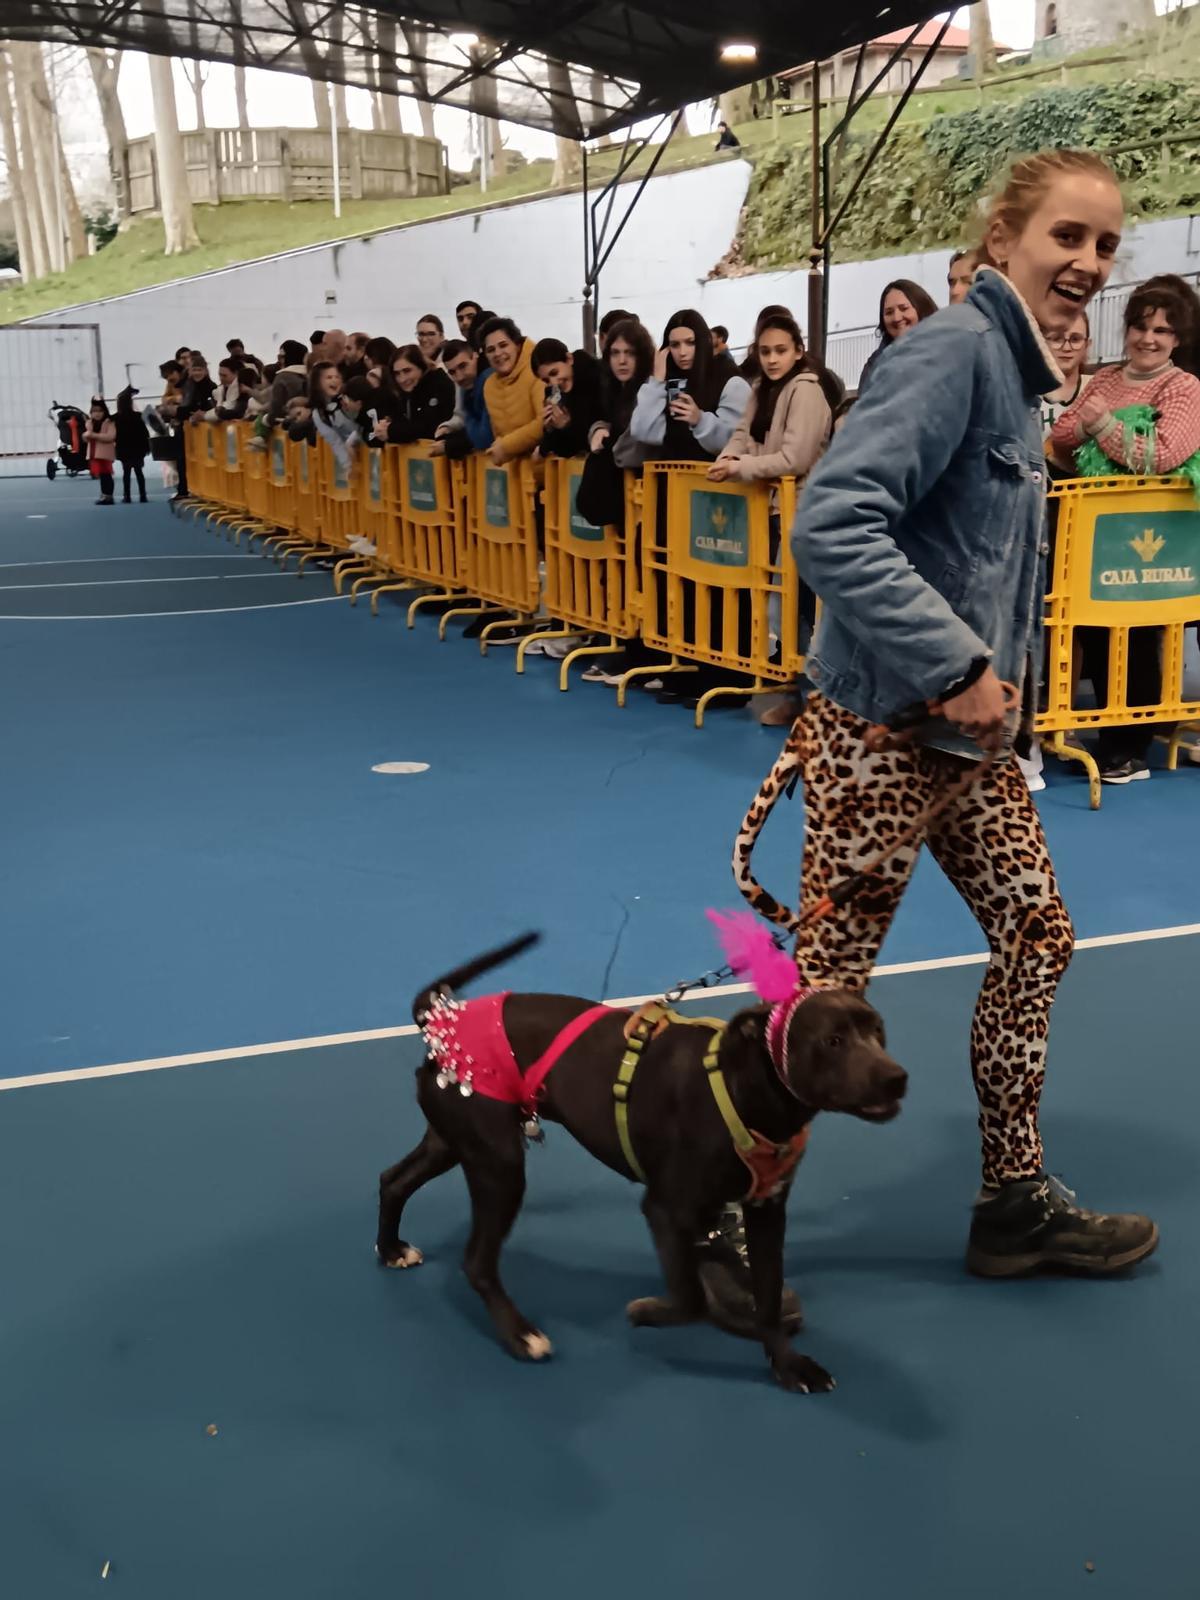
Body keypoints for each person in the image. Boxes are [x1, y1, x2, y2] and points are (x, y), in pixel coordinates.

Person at [778, 147, 1155, 1286]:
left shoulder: (1024, 375)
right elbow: (833, 525)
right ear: (1002, 241)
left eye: (1104, 244)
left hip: (966, 748)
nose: (1089, 262)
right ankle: (717, 1226)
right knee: (818, 1007)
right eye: (1066, 238)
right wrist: (952, 665)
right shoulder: (951, 354)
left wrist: (990, 698)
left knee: (1037, 939)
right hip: (882, 738)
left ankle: (1014, 1201)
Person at [1051, 284, 1200, 783]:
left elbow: (1163, 454)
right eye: (1141, 327)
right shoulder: (1107, 377)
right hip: (1095, 530)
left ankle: (1131, 744)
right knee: (1093, 629)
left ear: (1177, 338)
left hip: (1151, 534)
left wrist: (1102, 427)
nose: (1149, 338)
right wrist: (1102, 427)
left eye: (1162, 330)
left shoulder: (1185, 389)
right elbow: (1063, 432)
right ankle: (1109, 730)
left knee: (1137, 632)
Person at [630, 308, 750, 461]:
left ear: (702, 341)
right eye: (675, 345)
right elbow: (643, 431)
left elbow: (736, 441)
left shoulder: (728, 378)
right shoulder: (668, 380)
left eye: (690, 343)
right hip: (671, 479)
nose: (682, 352)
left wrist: (700, 420)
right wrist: (657, 382)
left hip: (715, 481)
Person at [479, 317, 546, 465]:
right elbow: (497, 434)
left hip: (548, 472)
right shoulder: (489, 385)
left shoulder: (537, 370)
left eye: (503, 345)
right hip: (515, 477)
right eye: (491, 350)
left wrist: (507, 446)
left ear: (516, 344)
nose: (498, 353)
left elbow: (544, 421)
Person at [857, 278, 938, 395]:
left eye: (904, 308)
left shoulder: (944, 351)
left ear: (921, 308)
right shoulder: (875, 365)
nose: (897, 318)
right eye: (889, 312)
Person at [530, 338, 605, 457]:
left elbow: (599, 439)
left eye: (554, 373)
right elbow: (565, 450)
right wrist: (551, 429)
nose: (554, 382)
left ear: (569, 359)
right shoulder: (552, 394)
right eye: (546, 380)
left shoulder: (598, 379)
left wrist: (567, 426)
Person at [374, 344, 457, 444]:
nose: (402, 379)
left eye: (407, 371)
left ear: (421, 367)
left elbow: (430, 426)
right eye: (397, 373)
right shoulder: (405, 394)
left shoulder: (440, 386)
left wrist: (391, 431)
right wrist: (384, 427)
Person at [431, 338, 494, 458]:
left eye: (463, 366)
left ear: (475, 356)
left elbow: (484, 436)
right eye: (452, 372)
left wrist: (449, 444)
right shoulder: (467, 385)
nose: (459, 377)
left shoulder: (489, 381)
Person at [114, 386, 150, 503]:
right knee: (139, 472)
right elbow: (145, 433)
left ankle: (127, 496)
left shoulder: (116, 418)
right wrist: (146, 447)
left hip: (124, 448)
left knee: (126, 473)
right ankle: (143, 495)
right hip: (138, 448)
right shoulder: (138, 416)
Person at [83, 396, 117, 505]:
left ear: (104, 411)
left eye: (100, 411)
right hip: (94, 453)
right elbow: (86, 438)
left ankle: (108, 496)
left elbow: (111, 436)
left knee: (106, 475)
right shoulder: (89, 423)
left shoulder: (109, 422)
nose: (97, 414)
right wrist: (86, 436)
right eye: (94, 411)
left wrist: (93, 435)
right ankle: (104, 494)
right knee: (102, 475)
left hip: (105, 454)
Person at [204, 357, 249, 422]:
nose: (221, 378)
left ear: (236, 373)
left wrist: (205, 415)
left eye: (224, 375)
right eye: (220, 375)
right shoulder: (219, 391)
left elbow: (238, 413)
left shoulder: (244, 390)